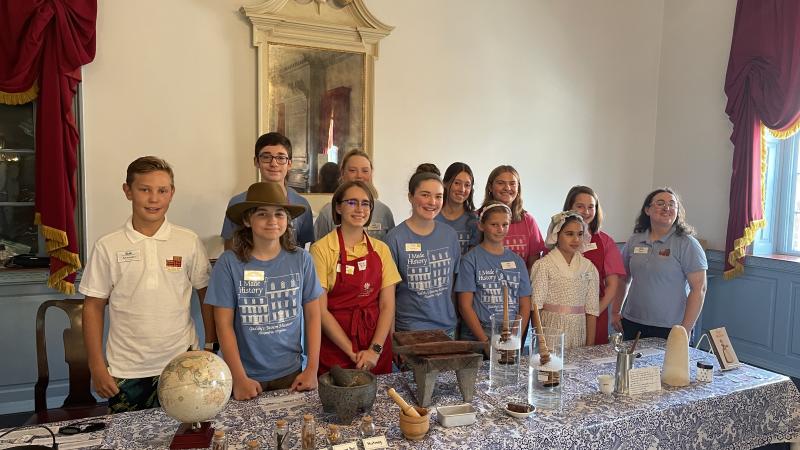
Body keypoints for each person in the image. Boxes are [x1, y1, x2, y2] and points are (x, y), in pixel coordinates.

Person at [81, 156, 215, 413]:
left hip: (183, 366)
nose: (154, 199)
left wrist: (209, 345)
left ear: (171, 194)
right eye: (145, 190)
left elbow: (206, 293)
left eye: (162, 191)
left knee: (186, 435)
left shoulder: (188, 241)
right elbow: (93, 306)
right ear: (127, 191)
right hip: (127, 370)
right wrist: (97, 366)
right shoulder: (107, 246)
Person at [206, 181, 323, 400]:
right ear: (246, 220)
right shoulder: (228, 263)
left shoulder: (302, 261)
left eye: (279, 214)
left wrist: (312, 369)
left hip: (292, 373)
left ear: (287, 220)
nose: (272, 221)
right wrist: (239, 378)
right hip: (245, 375)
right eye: (262, 214)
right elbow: (224, 324)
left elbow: (313, 316)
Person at [310, 180, 401, 375]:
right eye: (351, 202)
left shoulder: (381, 249)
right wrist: (353, 353)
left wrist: (374, 351)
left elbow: (387, 306)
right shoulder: (321, 250)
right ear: (338, 207)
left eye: (365, 203)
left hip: (376, 348)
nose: (359, 209)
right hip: (336, 349)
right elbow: (321, 311)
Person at [613, 188, 708, 341]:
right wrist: (615, 311)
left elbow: (699, 289)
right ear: (647, 210)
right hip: (632, 322)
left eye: (672, 204)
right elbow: (623, 279)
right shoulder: (634, 240)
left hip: (670, 327)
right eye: (660, 203)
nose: (667, 208)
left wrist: (685, 329)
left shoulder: (687, 243)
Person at [385, 168, 461, 335]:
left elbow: (454, 287)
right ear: (411, 197)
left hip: (447, 330)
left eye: (438, 196)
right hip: (409, 332)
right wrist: (391, 339)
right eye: (425, 195)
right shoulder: (395, 238)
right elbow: (387, 297)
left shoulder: (450, 236)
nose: (432, 202)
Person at [221, 132, 314, 249]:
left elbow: (303, 246)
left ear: (289, 163)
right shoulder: (238, 203)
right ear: (256, 161)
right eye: (266, 157)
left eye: (281, 158)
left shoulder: (302, 204)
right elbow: (230, 247)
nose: (273, 164)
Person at [456, 202, 532, 342]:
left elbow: (525, 305)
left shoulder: (518, 262)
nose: (500, 229)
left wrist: (515, 337)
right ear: (481, 225)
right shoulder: (470, 260)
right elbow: (464, 306)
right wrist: (485, 342)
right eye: (494, 224)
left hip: (510, 332)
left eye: (505, 224)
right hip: (478, 332)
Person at [562, 186, 625, 345]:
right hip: (562, 313)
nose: (586, 211)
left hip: (595, 313)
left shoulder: (605, 242)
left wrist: (594, 312)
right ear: (570, 207)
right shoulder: (555, 240)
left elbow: (612, 285)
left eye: (591, 207)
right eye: (580, 206)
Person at [531, 211, 599, 349]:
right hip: (551, 331)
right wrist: (542, 342)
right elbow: (535, 307)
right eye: (569, 234)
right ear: (556, 235)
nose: (576, 239)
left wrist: (590, 346)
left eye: (580, 234)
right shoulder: (543, 265)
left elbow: (592, 310)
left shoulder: (589, 267)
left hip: (578, 332)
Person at [313, 149, 395, 241]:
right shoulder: (327, 214)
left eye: (365, 171)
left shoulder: (384, 212)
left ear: (371, 174)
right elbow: (317, 250)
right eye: (353, 170)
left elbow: (390, 251)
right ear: (342, 173)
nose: (359, 176)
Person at [480, 165, 545, 272]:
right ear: (490, 187)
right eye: (501, 183)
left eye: (512, 183)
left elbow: (533, 265)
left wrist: (521, 286)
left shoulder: (529, 221)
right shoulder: (477, 218)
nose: (507, 188)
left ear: (518, 188)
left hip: (520, 286)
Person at [436, 162, 479, 255]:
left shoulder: (474, 221)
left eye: (467, 185)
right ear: (445, 183)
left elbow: (472, 259)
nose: (462, 189)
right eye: (457, 183)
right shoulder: (432, 216)